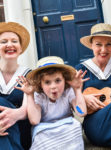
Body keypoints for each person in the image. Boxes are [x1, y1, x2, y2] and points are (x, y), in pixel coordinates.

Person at [16, 56, 88, 150]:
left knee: (75, 125)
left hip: (65, 128)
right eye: (47, 82)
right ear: (40, 84)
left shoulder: (68, 92)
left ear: (65, 80)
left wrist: (77, 90)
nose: (53, 86)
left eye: (58, 80)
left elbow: (81, 112)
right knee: (39, 132)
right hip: (46, 131)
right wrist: (30, 95)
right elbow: (35, 120)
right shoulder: (39, 96)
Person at [0, 22, 31, 150]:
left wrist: (16, 114)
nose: (10, 45)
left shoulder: (30, 75)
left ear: (20, 47)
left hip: (21, 133)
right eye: (3, 41)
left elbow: (32, 107)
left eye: (14, 41)